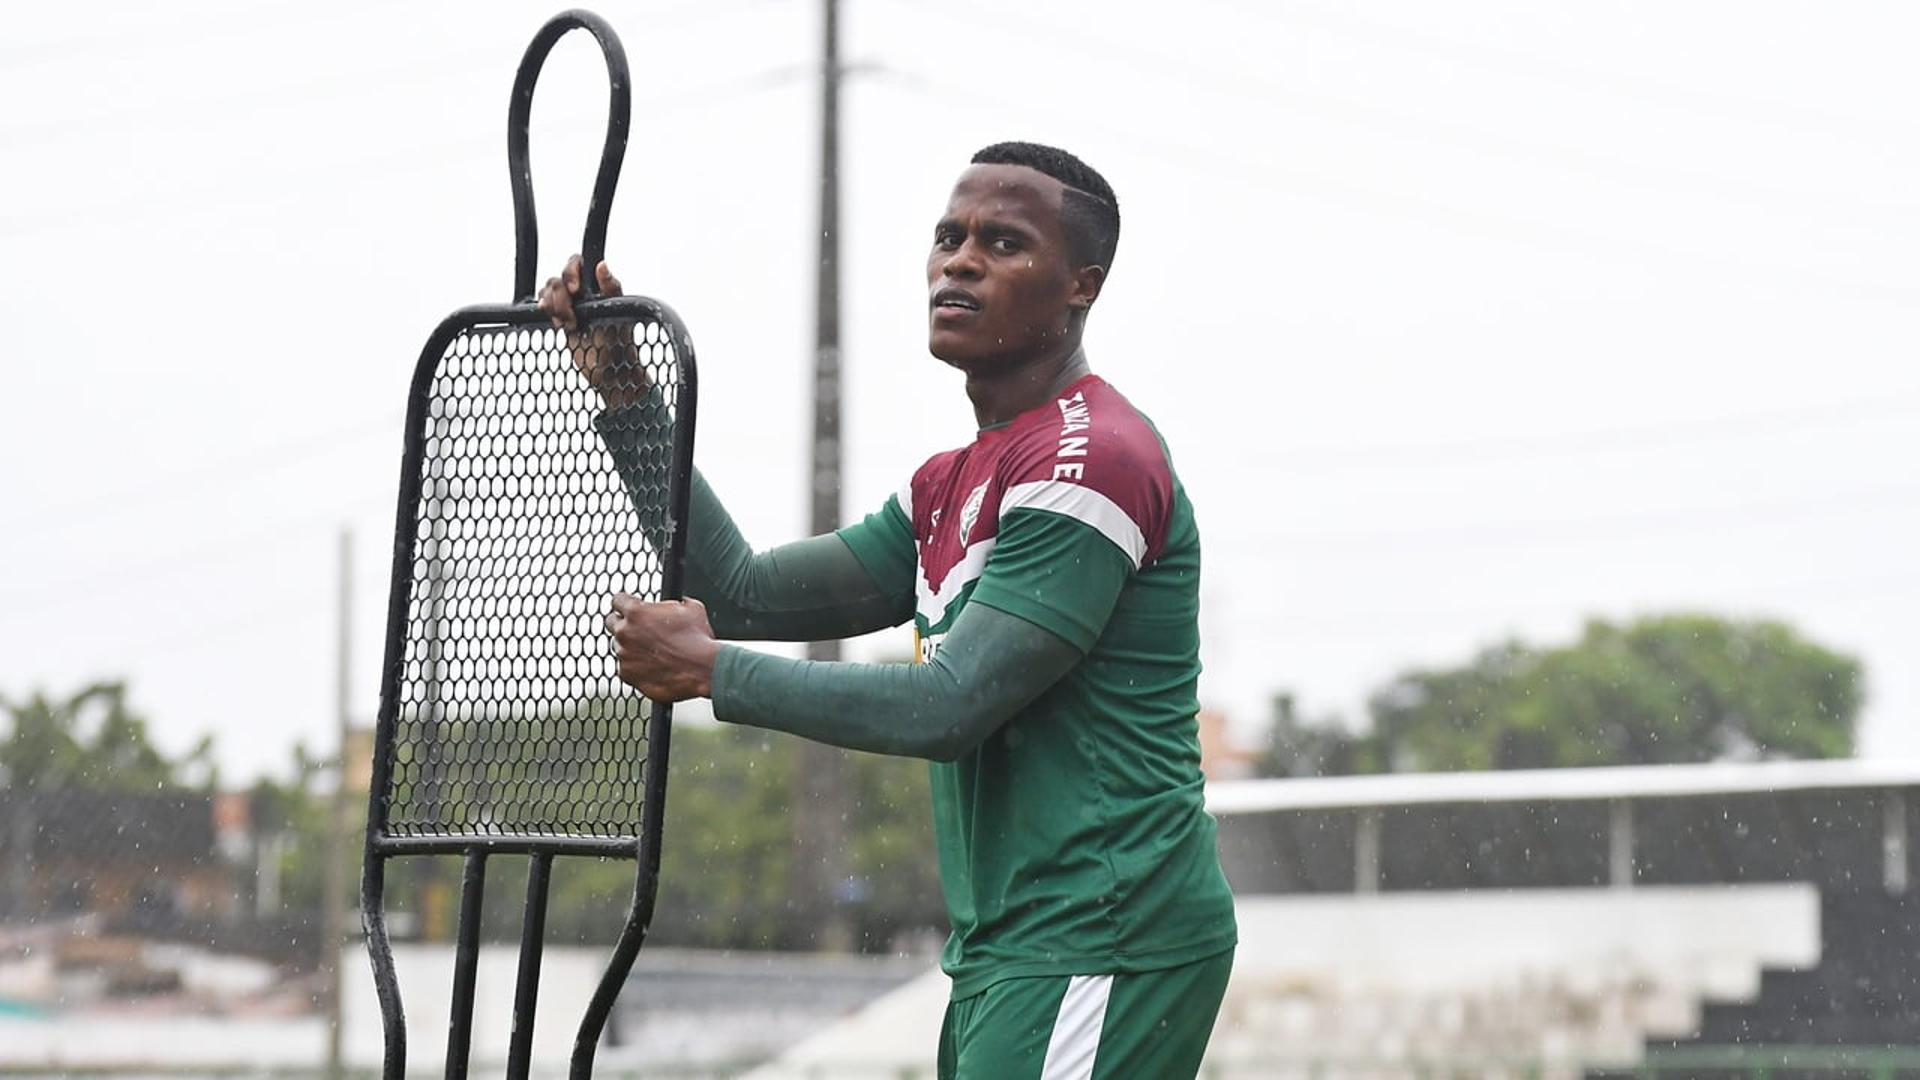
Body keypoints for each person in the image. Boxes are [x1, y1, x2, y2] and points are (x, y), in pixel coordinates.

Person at [541, 141, 1237, 1079]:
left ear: (1084, 285)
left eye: (1003, 242)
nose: (960, 261)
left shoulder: (1094, 459)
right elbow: (740, 591)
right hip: (1015, 945)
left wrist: (712, 672)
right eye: (949, 237)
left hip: (1102, 936)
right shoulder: (948, 484)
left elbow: (950, 704)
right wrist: (627, 395)